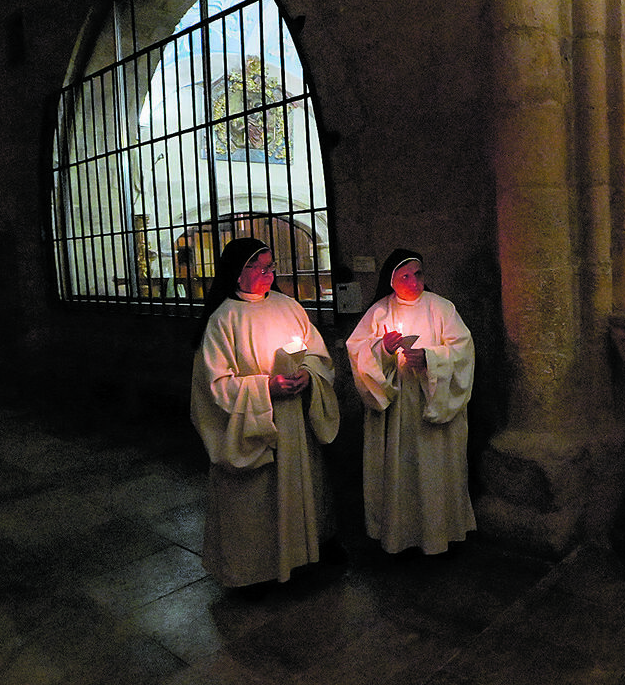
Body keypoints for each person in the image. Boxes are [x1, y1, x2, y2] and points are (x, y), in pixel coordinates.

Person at [190, 237, 340, 588]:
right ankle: (254, 574)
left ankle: (303, 560)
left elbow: (318, 355)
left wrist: (309, 375)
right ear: (237, 274)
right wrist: (265, 388)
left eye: (271, 267)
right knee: (257, 504)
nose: (268, 275)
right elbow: (214, 387)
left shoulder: (289, 307)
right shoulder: (223, 320)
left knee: (302, 493)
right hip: (255, 426)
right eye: (259, 268)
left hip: (295, 426)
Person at [348, 250, 478, 554]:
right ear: (391, 280)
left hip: (431, 404)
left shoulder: (443, 308)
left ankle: (440, 534)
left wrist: (432, 360)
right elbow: (358, 351)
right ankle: (399, 536)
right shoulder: (379, 313)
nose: (414, 281)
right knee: (400, 474)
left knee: (435, 470)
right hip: (396, 410)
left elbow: (464, 351)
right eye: (405, 276)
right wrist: (382, 350)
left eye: (418, 273)